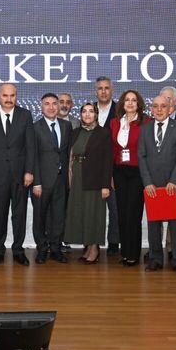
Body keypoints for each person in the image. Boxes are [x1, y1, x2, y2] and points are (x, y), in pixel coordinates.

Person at [0, 83, 34, 266]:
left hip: (20, 175)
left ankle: (18, 250)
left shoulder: (25, 115)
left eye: (12, 95)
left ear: (16, 96)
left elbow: (30, 146)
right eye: (5, 95)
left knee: (19, 215)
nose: (9, 99)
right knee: (0, 214)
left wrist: (29, 171)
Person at [139, 95, 176, 274]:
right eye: (155, 106)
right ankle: (155, 259)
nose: (159, 109)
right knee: (154, 224)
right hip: (152, 186)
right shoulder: (145, 129)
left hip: (173, 186)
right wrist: (147, 183)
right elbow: (141, 157)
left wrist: (173, 181)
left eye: (163, 106)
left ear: (170, 109)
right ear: (151, 109)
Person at [65, 103, 113, 264]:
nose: (87, 114)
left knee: (94, 214)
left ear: (96, 115)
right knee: (81, 212)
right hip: (77, 178)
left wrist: (105, 185)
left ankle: (94, 249)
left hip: (95, 179)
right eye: (84, 111)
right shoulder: (75, 132)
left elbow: (108, 161)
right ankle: (87, 247)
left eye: (91, 111)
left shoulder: (104, 133)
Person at [29, 93, 72, 264]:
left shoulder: (66, 125)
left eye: (55, 103)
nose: (51, 107)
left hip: (62, 180)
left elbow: (68, 153)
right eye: (47, 104)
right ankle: (42, 248)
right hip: (41, 181)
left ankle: (55, 248)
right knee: (40, 216)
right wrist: (36, 182)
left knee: (59, 216)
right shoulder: (34, 128)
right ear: (41, 107)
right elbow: (32, 157)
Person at [110, 89, 146, 267]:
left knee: (133, 213)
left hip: (138, 172)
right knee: (122, 213)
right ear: (122, 104)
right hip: (119, 172)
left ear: (138, 104)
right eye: (127, 100)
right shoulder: (115, 122)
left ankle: (133, 254)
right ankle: (125, 252)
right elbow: (112, 150)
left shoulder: (146, 122)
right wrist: (110, 174)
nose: (130, 103)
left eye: (133, 100)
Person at [93, 77, 121, 255]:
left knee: (115, 209)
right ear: (95, 91)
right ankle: (92, 244)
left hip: (114, 169)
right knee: (93, 210)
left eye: (106, 88)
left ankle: (113, 242)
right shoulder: (88, 110)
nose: (103, 91)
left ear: (112, 90)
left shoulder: (120, 111)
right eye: (100, 88)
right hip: (91, 170)